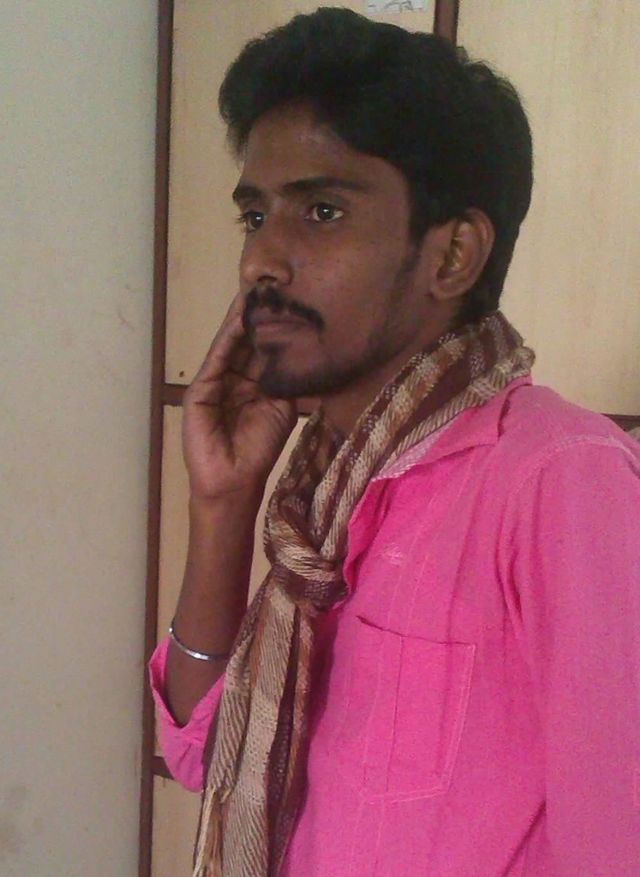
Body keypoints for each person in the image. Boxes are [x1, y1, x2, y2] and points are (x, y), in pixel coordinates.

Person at [149, 8, 640, 876]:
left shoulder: (558, 477)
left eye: (322, 210)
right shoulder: (320, 497)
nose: (261, 260)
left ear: (451, 256)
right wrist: (222, 504)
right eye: (255, 216)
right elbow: (203, 752)